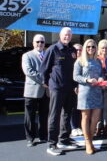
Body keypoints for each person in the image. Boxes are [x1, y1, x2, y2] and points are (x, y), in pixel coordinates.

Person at [41, 27, 79, 156]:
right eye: (65, 35)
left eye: (69, 35)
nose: (67, 37)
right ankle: (51, 144)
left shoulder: (72, 50)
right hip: (57, 88)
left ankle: (64, 139)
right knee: (54, 116)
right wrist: (47, 84)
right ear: (60, 35)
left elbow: (74, 70)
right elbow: (44, 69)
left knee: (67, 114)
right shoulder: (53, 49)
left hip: (70, 88)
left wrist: (75, 85)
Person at [73, 39, 104, 154]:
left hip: (97, 91)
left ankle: (90, 140)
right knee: (86, 117)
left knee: (95, 119)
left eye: (93, 47)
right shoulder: (79, 61)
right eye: (88, 47)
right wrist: (87, 79)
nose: (91, 49)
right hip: (85, 91)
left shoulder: (98, 61)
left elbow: (101, 74)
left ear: (96, 48)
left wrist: (101, 78)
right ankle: (88, 142)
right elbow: (75, 76)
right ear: (85, 48)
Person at [21, 34, 49, 147]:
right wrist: (43, 81)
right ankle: (30, 138)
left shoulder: (48, 55)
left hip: (46, 91)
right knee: (30, 116)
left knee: (44, 115)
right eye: (37, 42)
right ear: (33, 43)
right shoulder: (27, 55)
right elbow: (28, 71)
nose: (40, 44)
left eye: (42, 42)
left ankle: (43, 136)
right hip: (32, 90)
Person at [96, 39, 107, 138]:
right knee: (98, 109)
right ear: (99, 49)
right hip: (97, 88)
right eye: (102, 48)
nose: (104, 49)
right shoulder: (96, 59)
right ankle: (98, 128)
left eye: (106, 47)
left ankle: (106, 128)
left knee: (106, 109)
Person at [70, 43, 83, 137]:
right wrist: (74, 86)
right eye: (76, 50)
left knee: (80, 109)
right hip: (72, 88)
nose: (78, 52)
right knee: (73, 108)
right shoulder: (70, 61)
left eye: (80, 50)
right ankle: (73, 127)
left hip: (83, 88)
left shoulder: (84, 61)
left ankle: (79, 126)